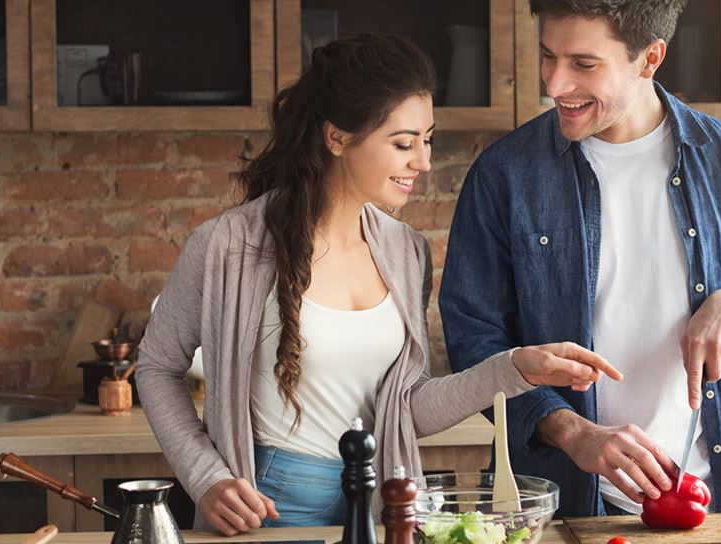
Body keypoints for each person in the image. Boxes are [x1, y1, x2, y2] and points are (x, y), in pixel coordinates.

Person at [136, 33, 620, 535]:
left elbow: (406, 409)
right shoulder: (227, 246)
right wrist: (206, 477)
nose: (423, 162)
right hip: (269, 506)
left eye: (426, 140)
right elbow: (156, 367)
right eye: (404, 143)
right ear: (338, 137)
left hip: (382, 504)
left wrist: (515, 368)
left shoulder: (405, 251)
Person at [440, 0, 721, 518]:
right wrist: (573, 432)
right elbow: (473, 341)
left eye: (584, 64)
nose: (554, 84)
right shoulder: (504, 175)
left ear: (650, 58)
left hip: (718, 500)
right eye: (548, 56)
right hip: (564, 505)